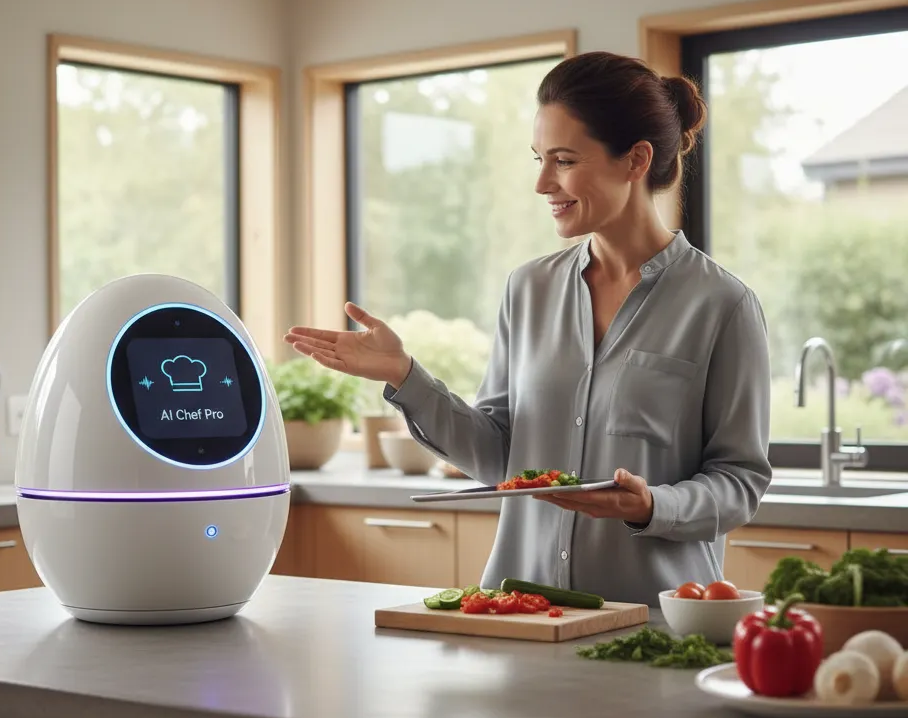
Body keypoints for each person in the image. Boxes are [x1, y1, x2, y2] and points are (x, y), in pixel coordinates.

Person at [284, 51, 772, 606]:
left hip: (650, 626)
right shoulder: (528, 289)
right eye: (539, 158)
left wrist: (652, 506)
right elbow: (499, 458)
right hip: (522, 616)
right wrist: (404, 375)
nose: (543, 183)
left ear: (636, 159)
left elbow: (740, 481)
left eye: (564, 160)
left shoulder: (721, 305)